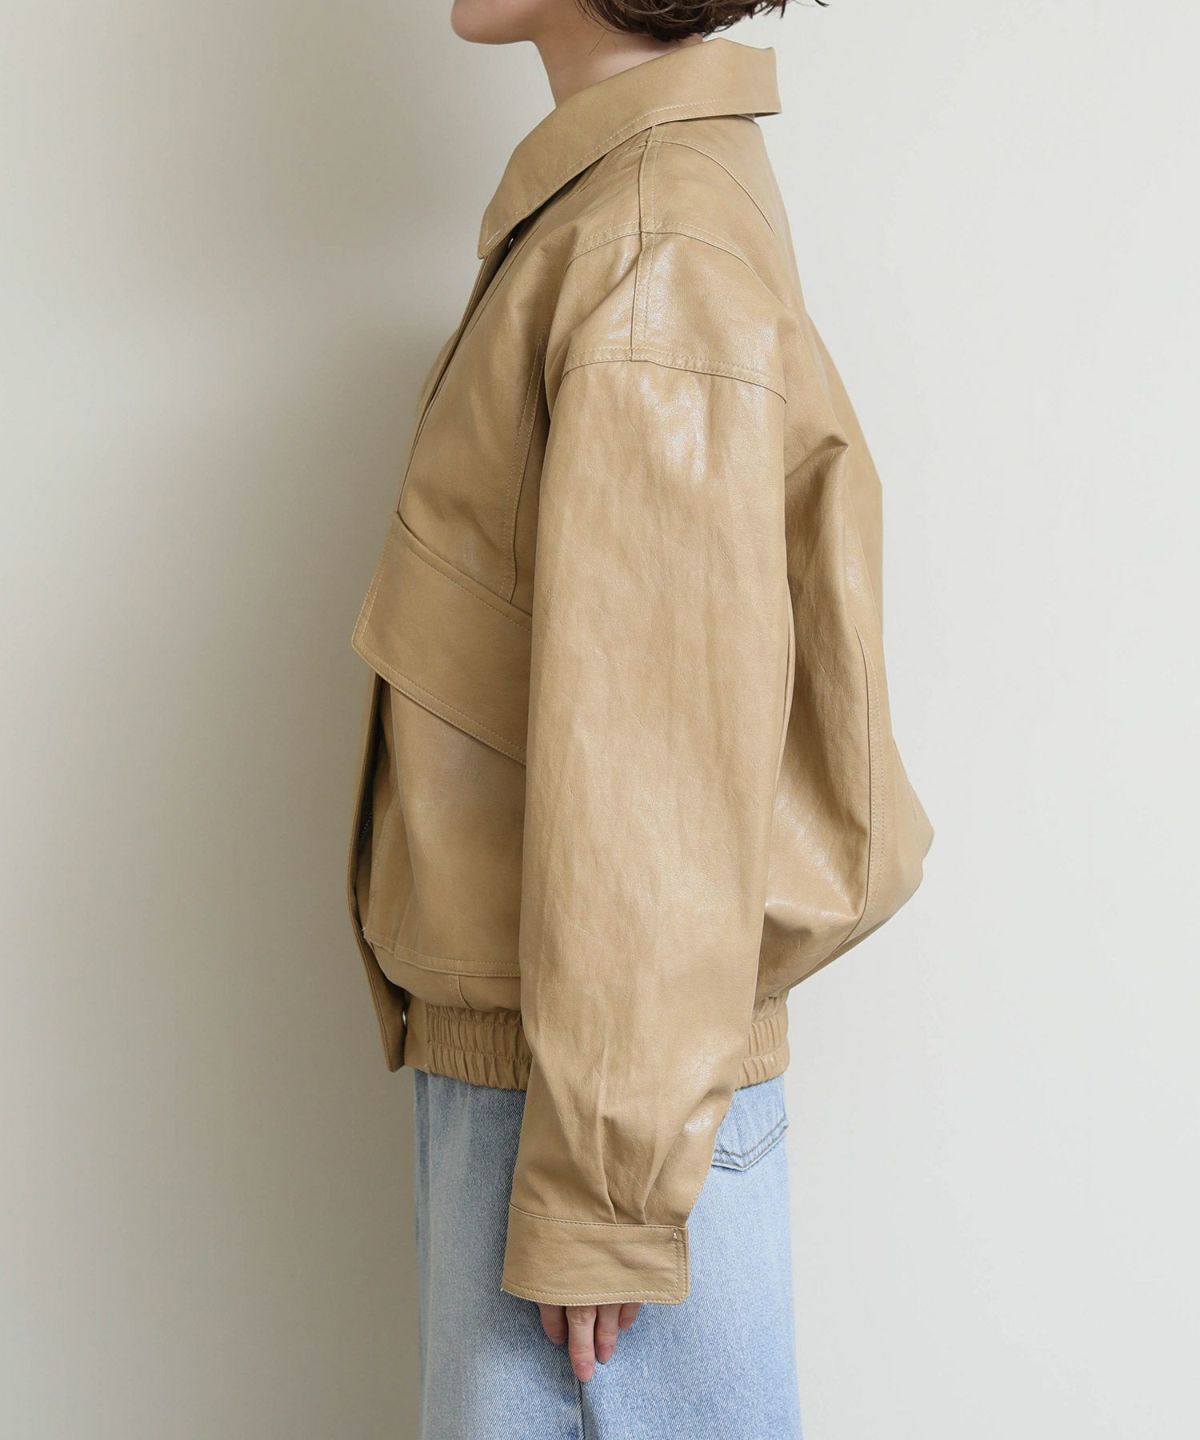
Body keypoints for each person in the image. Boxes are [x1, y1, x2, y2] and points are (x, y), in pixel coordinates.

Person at [343, 2, 932, 1435]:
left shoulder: (650, 242)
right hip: (588, 1077)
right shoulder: (636, 204)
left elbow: (657, 745)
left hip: (584, 1099)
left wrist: (601, 1193)